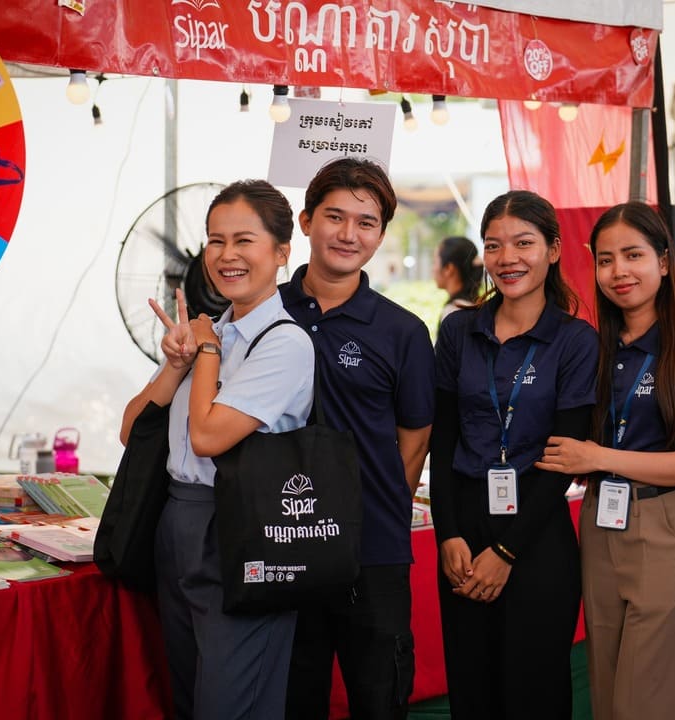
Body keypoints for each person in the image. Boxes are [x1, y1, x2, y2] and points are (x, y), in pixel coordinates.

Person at [120, 180, 314, 720]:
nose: (226, 255)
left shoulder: (285, 342)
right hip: (178, 523)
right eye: (214, 240)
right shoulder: (210, 334)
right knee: (187, 693)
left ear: (280, 252)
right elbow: (133, 428)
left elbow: (206, 437)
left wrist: (203, 348)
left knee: (229, 704)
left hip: (242, 532)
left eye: (244, 240)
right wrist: (181, 361)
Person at [536, 201, 675, 720]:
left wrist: (600, 455)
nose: (618, 271)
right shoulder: (590, 348)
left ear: (664, 262)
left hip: (667, 521)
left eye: (633, 255)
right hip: (602, 519)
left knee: (650, 695)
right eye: (605, 260)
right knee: (608, 683)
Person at [430, 190, 598, 719]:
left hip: (537, 533)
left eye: (523, 243)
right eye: (494, 246)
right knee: (472, 690)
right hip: (464, 524)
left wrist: (505, 554)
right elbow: (443, 438)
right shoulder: (459, 330)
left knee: (534, 690)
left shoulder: (575, 341)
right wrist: (448, 533)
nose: (508, 258)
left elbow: (561, 460)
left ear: (552, 249)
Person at [281, 157, 435, 720]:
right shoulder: (261, 312)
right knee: (293, 698)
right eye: (335, 217)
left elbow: (416, 436)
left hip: (372, 553)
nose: (349, 234)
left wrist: (380, 509)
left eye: (366, 222)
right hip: (279, 546)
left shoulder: (404, 332)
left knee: (379, 696)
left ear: (381, 234)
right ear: (305, 221)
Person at [434, 235, 484, 325]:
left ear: (449, 268)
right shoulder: (475, 307)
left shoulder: (454, 312)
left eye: (435, 262)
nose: (433, 269)